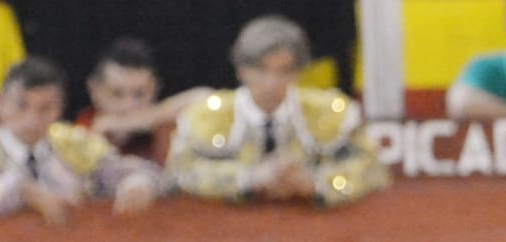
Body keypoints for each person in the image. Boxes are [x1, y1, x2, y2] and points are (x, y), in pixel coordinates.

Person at [166, 14, 390, 207]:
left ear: (299, 73)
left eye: (284, 71)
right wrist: (249, 178)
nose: (272, 83)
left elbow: (374, 170)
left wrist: (315, 183)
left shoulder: (330, 111)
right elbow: (179, 172)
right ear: (241, 71)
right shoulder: (207, 115)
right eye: (261, 70)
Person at [0, 55, 165, 235]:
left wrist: (138, 184)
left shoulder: (76, 146)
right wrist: (17, 191)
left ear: (59, 109)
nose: (32, 119)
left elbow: (149, 174)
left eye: (45, 108)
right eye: (22, 105)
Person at [76, 36, 210, 166]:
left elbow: (205, 97)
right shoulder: (80, 132)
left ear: (155, 89)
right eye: (117, 94)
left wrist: (127, 123)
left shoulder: (163, 128)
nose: (128, 105)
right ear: (93, 90)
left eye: (139, 94)